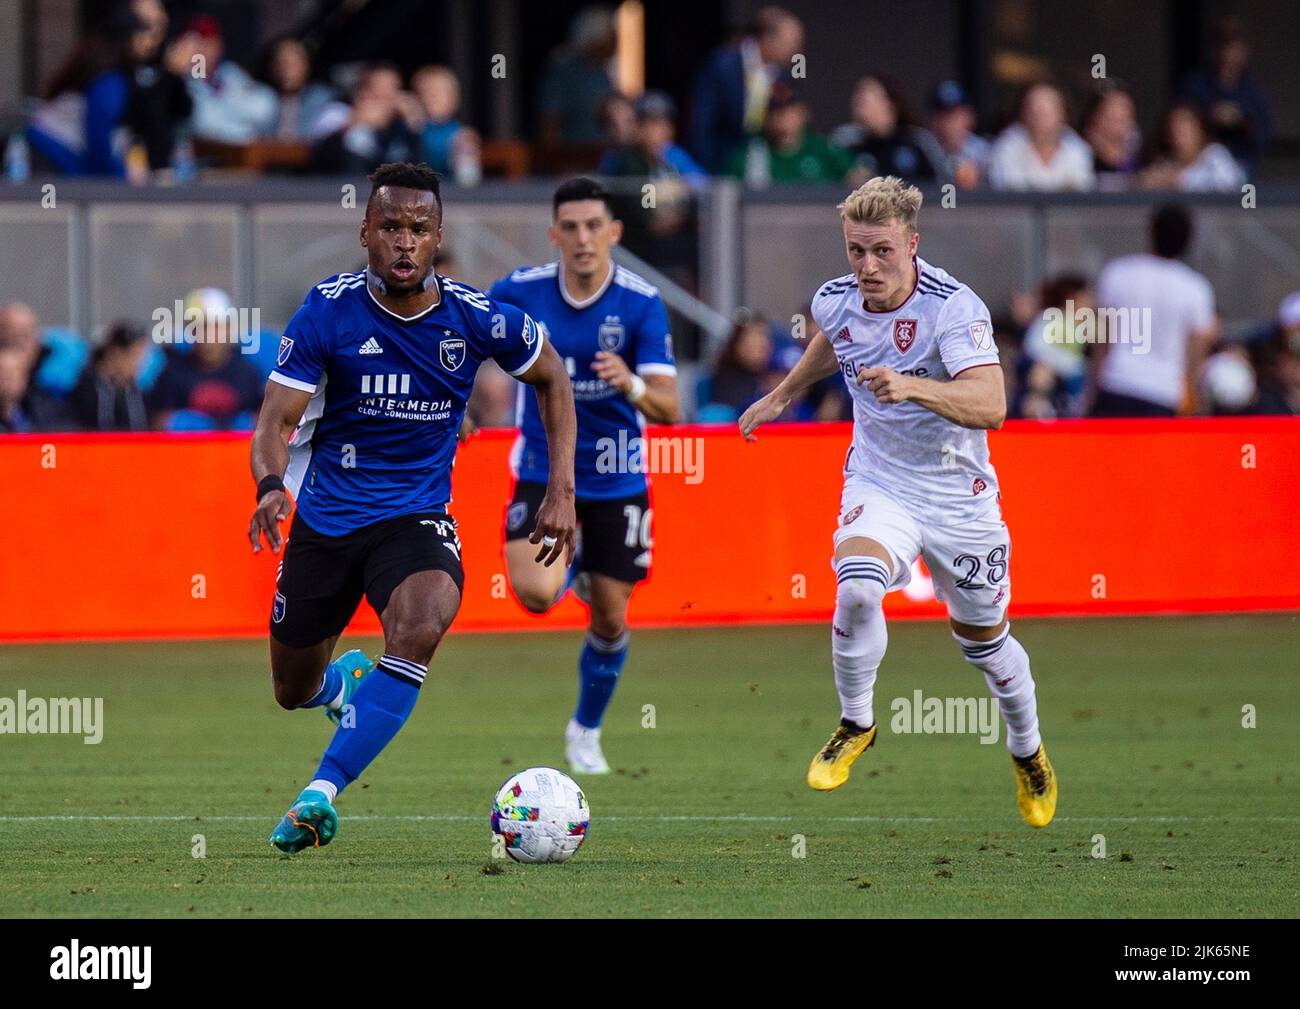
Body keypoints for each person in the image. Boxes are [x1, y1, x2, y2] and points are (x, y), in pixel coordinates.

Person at [249, 162, 577, 853]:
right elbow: (274, 422)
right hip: (328, 519)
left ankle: (319, 794)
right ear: (365, 232)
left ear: (438, 237)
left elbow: (552, 374)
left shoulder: (473, 317)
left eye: (418, 229)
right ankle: (343, 685)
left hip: (415, 517)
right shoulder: (327, 311)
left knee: (422, 621)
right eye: (391, 227)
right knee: (290, 687)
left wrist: (560, 491)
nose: (404, 241)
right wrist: (271, 487)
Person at [738, 176, 1057, 828]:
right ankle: (856, 721)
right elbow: (836, 338)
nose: (867, 266)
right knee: (855, 587)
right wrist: (784, 394)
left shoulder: (954, 309)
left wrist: (912, 387)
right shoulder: (837, 299)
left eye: (882, 251)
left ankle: (1027, 750)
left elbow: (993, 405)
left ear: (913, 244)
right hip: (881, 483)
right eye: (856, 251)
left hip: (959, 497)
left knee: (987, 644)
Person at [488, 178, 680, 775]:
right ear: (554, 234)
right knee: (536, 596)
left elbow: (671, 409)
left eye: (594, 225)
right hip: (544, 476)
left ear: (614, 233)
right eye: (569, 227)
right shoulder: (518, 293)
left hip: (617, 482)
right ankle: (571, 573)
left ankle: (586, 730)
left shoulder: (641, 302)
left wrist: (632, 384)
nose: (582, 238)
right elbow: (464, 347)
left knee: (611, 618)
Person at [1090, 204, 1218, 417]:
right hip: (1162, 393)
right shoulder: (1195, 288)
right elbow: (1196, 351)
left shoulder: (1118, 273)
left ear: (1151, 231)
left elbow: (1101, 340)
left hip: (1116, 383)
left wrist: (1093, 387)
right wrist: (1193, 398)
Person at [690, 6, 804, 173]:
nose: (795, 51)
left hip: (759, 165)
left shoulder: (783, 75)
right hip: (721, 163)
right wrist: (708, 170)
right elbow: (703, 122)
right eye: (789, 44)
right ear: (768, 39)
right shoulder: (723, 64)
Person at [148, 288, 263, 429]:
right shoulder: (172, 374)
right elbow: (156, 422)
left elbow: (263, 419)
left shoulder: (247, 373)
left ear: (228, 328)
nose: (206, 335)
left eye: (214, 326)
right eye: (199, 327)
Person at [1180, 16, 1271, 174]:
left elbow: (1263, 137)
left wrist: (1244, 123)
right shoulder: (1197, 85)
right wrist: (1209, 116)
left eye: (1234, 47)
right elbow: (1180, 125)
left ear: (1243, 51)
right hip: (1199, 166)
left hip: (1242, 164)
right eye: (1223, 46)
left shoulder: (1253, 91)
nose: (1228, 54)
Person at [726, 80, 853, 186]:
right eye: (774, 108)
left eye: (789, 106)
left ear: (804, 112)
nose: (781, 115)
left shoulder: (826, 149)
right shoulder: (748, 155)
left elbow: (860, 182)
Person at [175, 14, 277, 144]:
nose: (204, 50)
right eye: (198, 44)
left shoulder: (230, 72)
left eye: (210, 42)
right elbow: (203, 122)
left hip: (240, 153)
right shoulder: (183, 78)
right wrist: (240, 119)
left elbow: (265, 110)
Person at [830, 74, 941, 184]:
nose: (860, 102)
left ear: (891, 105)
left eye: (868, 98)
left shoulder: (917, 141)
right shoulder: (845, 142)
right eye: (859, 98)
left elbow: (943, 184)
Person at [312, 63, 419, 175]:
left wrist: (413, 124)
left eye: (391, 89)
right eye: (377, 89)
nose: (384, 96)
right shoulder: (336, 112)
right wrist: (358, 122)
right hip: (345, 188)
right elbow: (321, 152)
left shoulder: (404, 123)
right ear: (362, 92)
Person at [988, 82, 1093, 191]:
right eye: (1032, 110)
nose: (1038, 117)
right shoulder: (1007, 146)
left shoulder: (1077, 148)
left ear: (1063, 114)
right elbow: (1011, 196)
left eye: (1046, 112)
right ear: (1023, 113)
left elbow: (1080, 195)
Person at [537, 6, 618, 145]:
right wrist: (554, 159)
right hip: (572, 158)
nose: (615, 43)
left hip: (600, 156)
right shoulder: (564, 71)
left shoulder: (602, 74)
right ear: (597, 38)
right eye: (611, 37)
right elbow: (550, 118)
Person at [1140, 102, 1244, 193]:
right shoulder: (1166, 164)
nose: (1180, 135)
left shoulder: (1215, 155)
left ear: (1200, 131)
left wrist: (1180, 180)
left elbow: (1230, 183)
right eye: (1176, 129)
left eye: (1186, 130)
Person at [69, 320, 151, 431]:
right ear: (115, 353)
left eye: (142, 356)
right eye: (134, 355)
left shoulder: (135, 391)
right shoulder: (85, 388)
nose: (140, 363)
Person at [260, 36, 336, 141]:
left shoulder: (323, 98)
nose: (286, 71)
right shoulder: (262, 98)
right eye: (281, 64)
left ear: (306, 65)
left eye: (292, 64)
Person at [925, 80, 989, 189]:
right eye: (942, 116)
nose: (948, 124)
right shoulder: (923, 149)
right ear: (931, 119)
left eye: (955, 116)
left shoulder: (985, 152)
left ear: (970, 117)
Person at [1082, 84, 1141, 191]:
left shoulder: (1143, 157)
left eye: (1124, 107)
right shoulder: (1078, 153)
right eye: (1110, 108)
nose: (1117, 112)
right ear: (1094, 115)